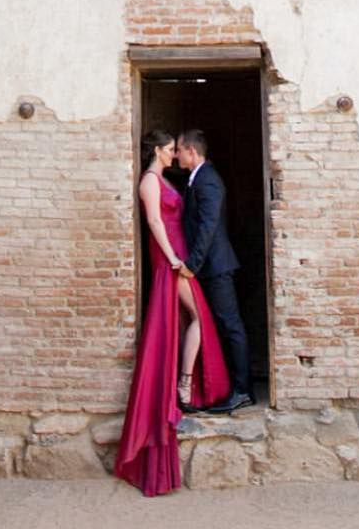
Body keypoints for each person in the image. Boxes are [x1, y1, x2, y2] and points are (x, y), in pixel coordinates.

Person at [114, 129, 230, 496]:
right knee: (198, 316)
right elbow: (153, 223)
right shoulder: (149, 180)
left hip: (177, 254)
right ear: (157, 151)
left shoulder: (163, 178)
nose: (173, 155)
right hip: (170, 258)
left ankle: (185, 382)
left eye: (175, 150)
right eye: (168, 150)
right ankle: (182, 383)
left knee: (194, 318)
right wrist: (172, 257)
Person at [176, 128, 253, 413]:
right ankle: (226, 387)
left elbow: (208, 228)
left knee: (231, 326)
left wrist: (192, 265)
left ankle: (242, 390)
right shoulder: (196, 179)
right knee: (222, 326)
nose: (175, 154)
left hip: (216, 267)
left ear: (192, 152)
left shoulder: (207, 180)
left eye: (179, 150)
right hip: (209, 268)